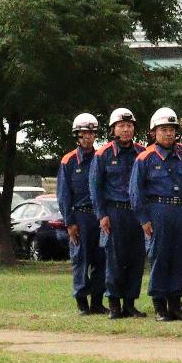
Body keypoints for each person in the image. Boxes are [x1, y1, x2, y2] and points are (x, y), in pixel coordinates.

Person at [134, 108, 182, 321]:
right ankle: (160, 305)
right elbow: (135, 192)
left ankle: (175, 303)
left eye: (172, 129)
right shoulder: (145, 158)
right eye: (164, 129)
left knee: (179, 258)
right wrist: (143, 220)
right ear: (154, 132)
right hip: (158, 210)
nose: (169, 134)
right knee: (160, 257)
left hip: (181, 210)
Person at [90, 107, 147, 319]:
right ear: (113, 129)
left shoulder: (142, 153)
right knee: (115, 258)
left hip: (137, 213)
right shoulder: (103, 154)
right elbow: (95, 187)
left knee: (136, 258)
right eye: (121, 126)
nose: (126, 130)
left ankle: (130, 303)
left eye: (129, 126)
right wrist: (101, 215)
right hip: (115, 212)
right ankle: (114, 303)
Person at [57, 113, 105, 315]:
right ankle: (82, 303)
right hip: (80, 217)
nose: (88, 137)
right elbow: (63, 194)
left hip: (99, 216)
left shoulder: (102, 157)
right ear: (77, 135)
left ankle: (97, 302)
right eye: (84, 133)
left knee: (101, 260)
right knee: (80, 260)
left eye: (92, 133)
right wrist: (70, 222)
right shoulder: (68, 161)